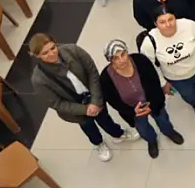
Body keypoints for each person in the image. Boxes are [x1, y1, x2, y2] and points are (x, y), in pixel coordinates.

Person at [30, 34, 139, 162]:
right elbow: (57, 103)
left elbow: (92, 72)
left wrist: (95, 100)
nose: (52, 54)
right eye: (45, 53)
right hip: (74, 108)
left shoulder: (73, 50)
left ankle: (118, 134)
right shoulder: (39, 79)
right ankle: (99, 144)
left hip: (93, 95)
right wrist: (85, 110)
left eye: (53, 48)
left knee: (104, 117)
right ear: (37, 56)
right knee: (88, 126)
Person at [99, 39, 184, 158]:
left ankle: (169, 132)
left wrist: (152, 105)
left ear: (127, 52)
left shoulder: (140, 60)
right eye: (115, 58)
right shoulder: (106, 78)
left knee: (163, 119)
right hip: (134, 112)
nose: (121, 60)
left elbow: (154, 83)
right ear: (110, 60)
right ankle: (151, 140)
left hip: (153, 102)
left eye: (123, 54)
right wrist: (134, 111)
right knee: (143, 129)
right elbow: (114, 102)